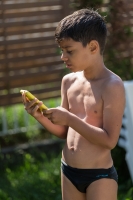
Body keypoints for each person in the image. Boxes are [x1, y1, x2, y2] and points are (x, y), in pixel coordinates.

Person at [22, 8, 125, 200]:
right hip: (68, 170)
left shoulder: (112, 86)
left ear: (93, 47)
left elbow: (110, 140)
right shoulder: (68, 82)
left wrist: (69, 118)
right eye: (62, 51)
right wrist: (38, 115)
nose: (63, 57)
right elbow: (63, 132)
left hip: (99, 176)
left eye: (69, 51)